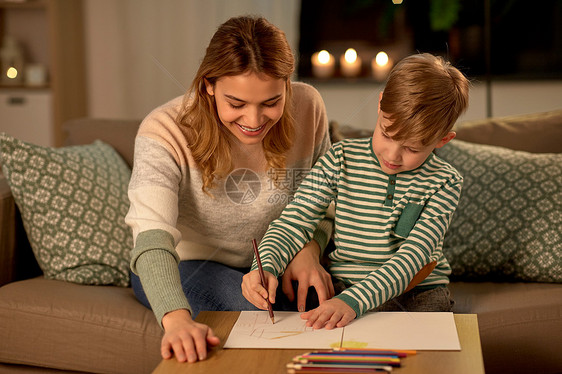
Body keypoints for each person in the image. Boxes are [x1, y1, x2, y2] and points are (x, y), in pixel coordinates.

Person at [125, 16, 334, 363]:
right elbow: (152, 241)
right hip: (186, 263)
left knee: (333, 308)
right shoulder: (163, 130)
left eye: (271, 102)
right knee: (260, 320)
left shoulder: (308, 107)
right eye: (236, 104)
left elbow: (325, 203)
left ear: (288, 85)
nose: (254, 121)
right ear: (208, 85)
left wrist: (309, 249)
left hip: (276, 259)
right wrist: (176, 321)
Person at [242, 53, 470, 330]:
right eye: (387, 133)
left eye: (412, 148)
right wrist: (264, 267)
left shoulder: (445, 182)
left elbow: (413, 257)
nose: (393, 156)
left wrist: (353, 302)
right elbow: (293, 224)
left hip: (415, 294)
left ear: (443, 140)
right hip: (342, 288)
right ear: (380, 104)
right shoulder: (339, 159)